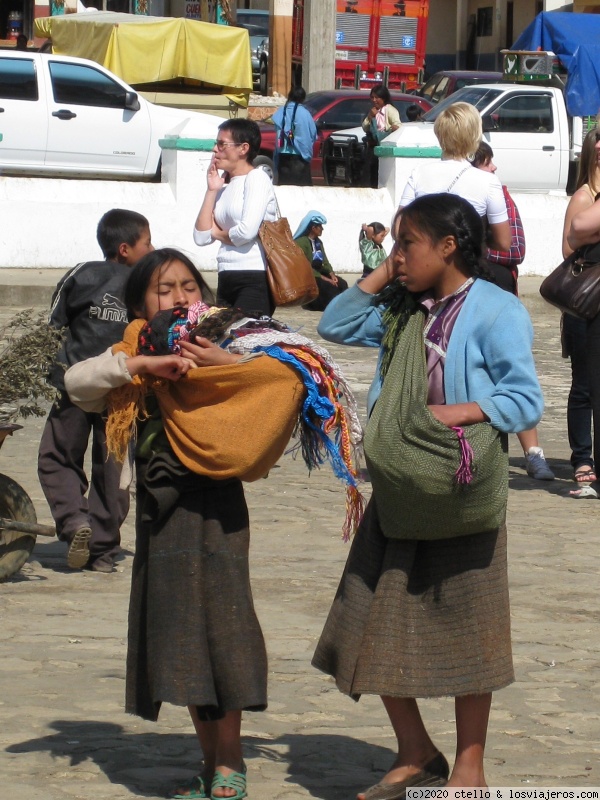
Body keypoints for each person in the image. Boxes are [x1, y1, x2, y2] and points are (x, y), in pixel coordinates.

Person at [313, 193, 544, 797]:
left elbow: (524, 401)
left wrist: (452, 414)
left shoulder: (495, 311)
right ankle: (416, 750)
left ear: (447, 246)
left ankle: (469, 767)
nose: (397, 255)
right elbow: (333, 323)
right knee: (368, 623)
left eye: (407, 243)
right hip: (400, 492)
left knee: (474, 631)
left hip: (460, 490)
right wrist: (388, 271)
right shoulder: (398, 310)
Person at [37, 208, 153, 573]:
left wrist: (52, 369)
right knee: (113, 468)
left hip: (75, 383)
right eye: (147, 242)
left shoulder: (80, 274)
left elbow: (55, 323)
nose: (152, 249)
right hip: (119, 391)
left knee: (58, 456)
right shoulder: (145, 285)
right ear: (124, 248)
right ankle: (102, 549)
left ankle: (74, 522)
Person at [472, 141, 555, 480]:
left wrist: (474, 252)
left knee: (513, 373)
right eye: (486, 163)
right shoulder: (449, 197)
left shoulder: (499, 196)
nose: (492, 169)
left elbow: (515, 248)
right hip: (462, 298)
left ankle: (533, 453)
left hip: (499, 294)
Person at [399, 102, 512, 252]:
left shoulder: (419, 173)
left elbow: (398, 228)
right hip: (465, 268)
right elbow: (503, 243)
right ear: (475, 136)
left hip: (424, 265)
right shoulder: (488, 181)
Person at [194, 118, 277, 317]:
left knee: (246, 341)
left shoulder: (257, 178)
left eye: (222, 144)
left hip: (254, 275)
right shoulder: (224, 187)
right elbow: (200, 237)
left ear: (243, 148)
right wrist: (212, 190)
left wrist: (216, 231)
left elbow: (246, 232)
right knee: (225, 342)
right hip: (225, 273)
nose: (215, 149)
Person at [560, 126, 597, 488]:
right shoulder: (585, 196)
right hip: (586, 302)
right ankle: (582, 457)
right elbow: (567, 250)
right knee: (584, 384)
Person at [293, 211, 349, 311]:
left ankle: (344, 308)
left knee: (342, 284)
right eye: (320, 226)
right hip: (309, 275)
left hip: (320, 273)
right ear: (313, 228)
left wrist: (331, 274)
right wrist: (326, 279)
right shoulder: (301, 242)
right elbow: (305, 266)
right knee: (330, 288)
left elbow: (325, 261)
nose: (322, 229)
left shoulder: (318, 242)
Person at [271, 86, 318, 186]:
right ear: (303, 98)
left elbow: (278, 133)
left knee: (285, 190)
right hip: (300, 157)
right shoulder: (305, 114)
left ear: (290, 96)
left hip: (282, 157)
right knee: (301, 193)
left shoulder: (281, 111)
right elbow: (313, 134)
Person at [361, 84, 401, 188]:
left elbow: (398, 126)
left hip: (383, 148)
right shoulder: (373, 111)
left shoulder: (390, 110)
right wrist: (370, 117)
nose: (374, 100)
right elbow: (365, 127)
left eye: (377, 97)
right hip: (372, 149)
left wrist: (390, 129)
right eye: (372, 97)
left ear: (384, 98)